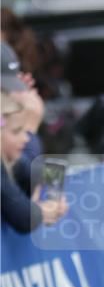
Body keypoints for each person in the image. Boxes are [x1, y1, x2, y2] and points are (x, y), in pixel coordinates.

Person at [1, 90, 67, 232]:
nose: (26, 138)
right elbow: (24, 217)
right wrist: (43, 211)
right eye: (16, 131)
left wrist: (54, 198)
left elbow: (39, 171)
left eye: (26, 131)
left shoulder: (11, 159)